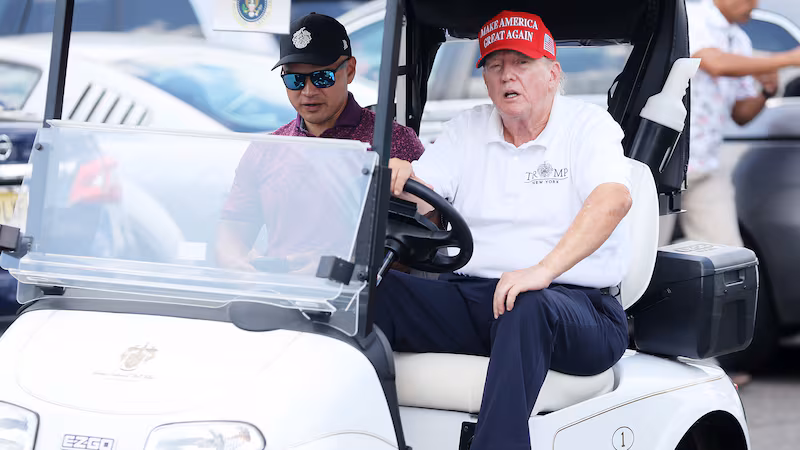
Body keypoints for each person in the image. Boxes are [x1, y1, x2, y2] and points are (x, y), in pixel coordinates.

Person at [377, 11, 632, 450]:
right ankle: (373, 436)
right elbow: (426, 193)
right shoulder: (468, 128)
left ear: (553, 73)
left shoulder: (588, 126)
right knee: (374, 291)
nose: (506, 75)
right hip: (478, 298)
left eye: (521, 63)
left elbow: (614, 199)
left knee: (526, 303)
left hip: (576, 309)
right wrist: (403, 180)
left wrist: (542, 270)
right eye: (495, 66)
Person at [215, 13, 425, 272]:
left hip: (362, 301)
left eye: (322, 77)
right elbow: (234, 229)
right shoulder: (266, 149)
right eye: (295, 79)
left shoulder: (395, 142)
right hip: (279, 295)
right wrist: (237, 266)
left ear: (349, 71)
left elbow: (419, 247)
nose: (308, 91)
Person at [658, 0, 800, 248]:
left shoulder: (739, 40)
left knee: (727, 251)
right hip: (665, 161)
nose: (754, 4)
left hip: (706, 163)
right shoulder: (692, 16)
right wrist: (788, 59)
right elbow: (715, 64)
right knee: (646, 252)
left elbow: (741, 115)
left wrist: (766, 92)